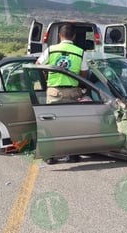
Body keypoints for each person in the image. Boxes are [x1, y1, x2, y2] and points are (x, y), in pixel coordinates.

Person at [36, 23, 88, 164]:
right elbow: (84, 74)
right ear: (74, 36)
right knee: (71, 124)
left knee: (51, 124)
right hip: (72, 92)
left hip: (54, 91)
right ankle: (71, 155)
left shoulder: (51, 50)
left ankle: (50, 156)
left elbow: (38, 64)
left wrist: (46, 75)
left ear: (59, 35)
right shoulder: (80, 52)